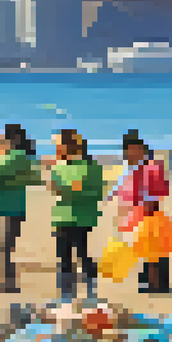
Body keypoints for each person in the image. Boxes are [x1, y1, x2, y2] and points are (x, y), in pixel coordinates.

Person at [0, 123, 42, 294]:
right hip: (3, 206)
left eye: (0, 137)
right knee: (2, 247)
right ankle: (6, 282)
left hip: (8, 207)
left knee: (3, 248)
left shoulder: (16, 157)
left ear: (10, 140)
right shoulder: (15, 158)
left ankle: (6, 284)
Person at [49, 129, 106, 302]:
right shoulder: (58, 166)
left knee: (82, 253)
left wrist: (73, 191)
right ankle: (65, 295)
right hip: (61, 216)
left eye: (59, 145)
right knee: (63, 256)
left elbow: (96, 193)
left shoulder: (91, 167)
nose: (57, 149)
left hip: (82, 217)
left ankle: (91, 293)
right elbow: (57, 190)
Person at [118, 130, 171, 293]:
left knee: (153, 251)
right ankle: (153, 282)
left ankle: (155, 283)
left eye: (128, 151)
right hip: (146, 214)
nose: (126, 156)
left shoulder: (150, 167)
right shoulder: (143, 167)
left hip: (150, 215)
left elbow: (155, 194)